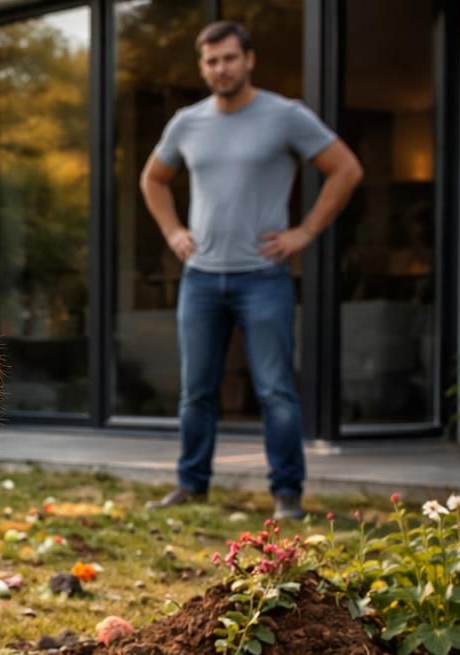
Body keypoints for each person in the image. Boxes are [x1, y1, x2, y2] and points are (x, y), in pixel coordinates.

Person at [140, 20, 363, 520]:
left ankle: (287, 494)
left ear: (249, 60)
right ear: (203, 67)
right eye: (212, 61)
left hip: (262, 278)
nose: (221, 68)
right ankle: (191, 486)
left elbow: (346, 169)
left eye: (229, 58)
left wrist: (303, 233)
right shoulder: (186, 122)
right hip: (200, 278)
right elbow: (153, 179)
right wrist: (174, 231)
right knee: (196, 390)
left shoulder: (286, 116)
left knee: (276, 390)